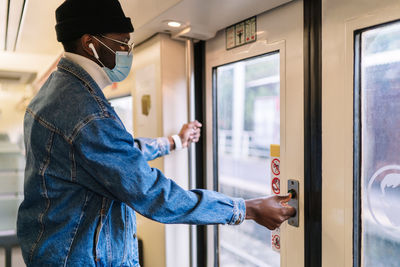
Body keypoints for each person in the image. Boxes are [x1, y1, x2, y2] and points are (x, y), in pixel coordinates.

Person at [16, 0, 295, 266]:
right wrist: (246, 209)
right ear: (90, 44)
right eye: (122, 42)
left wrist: (173, 142)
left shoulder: (55, 92)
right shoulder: (87, 113)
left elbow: (114, 153)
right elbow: (152, 194)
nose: (128, 50)